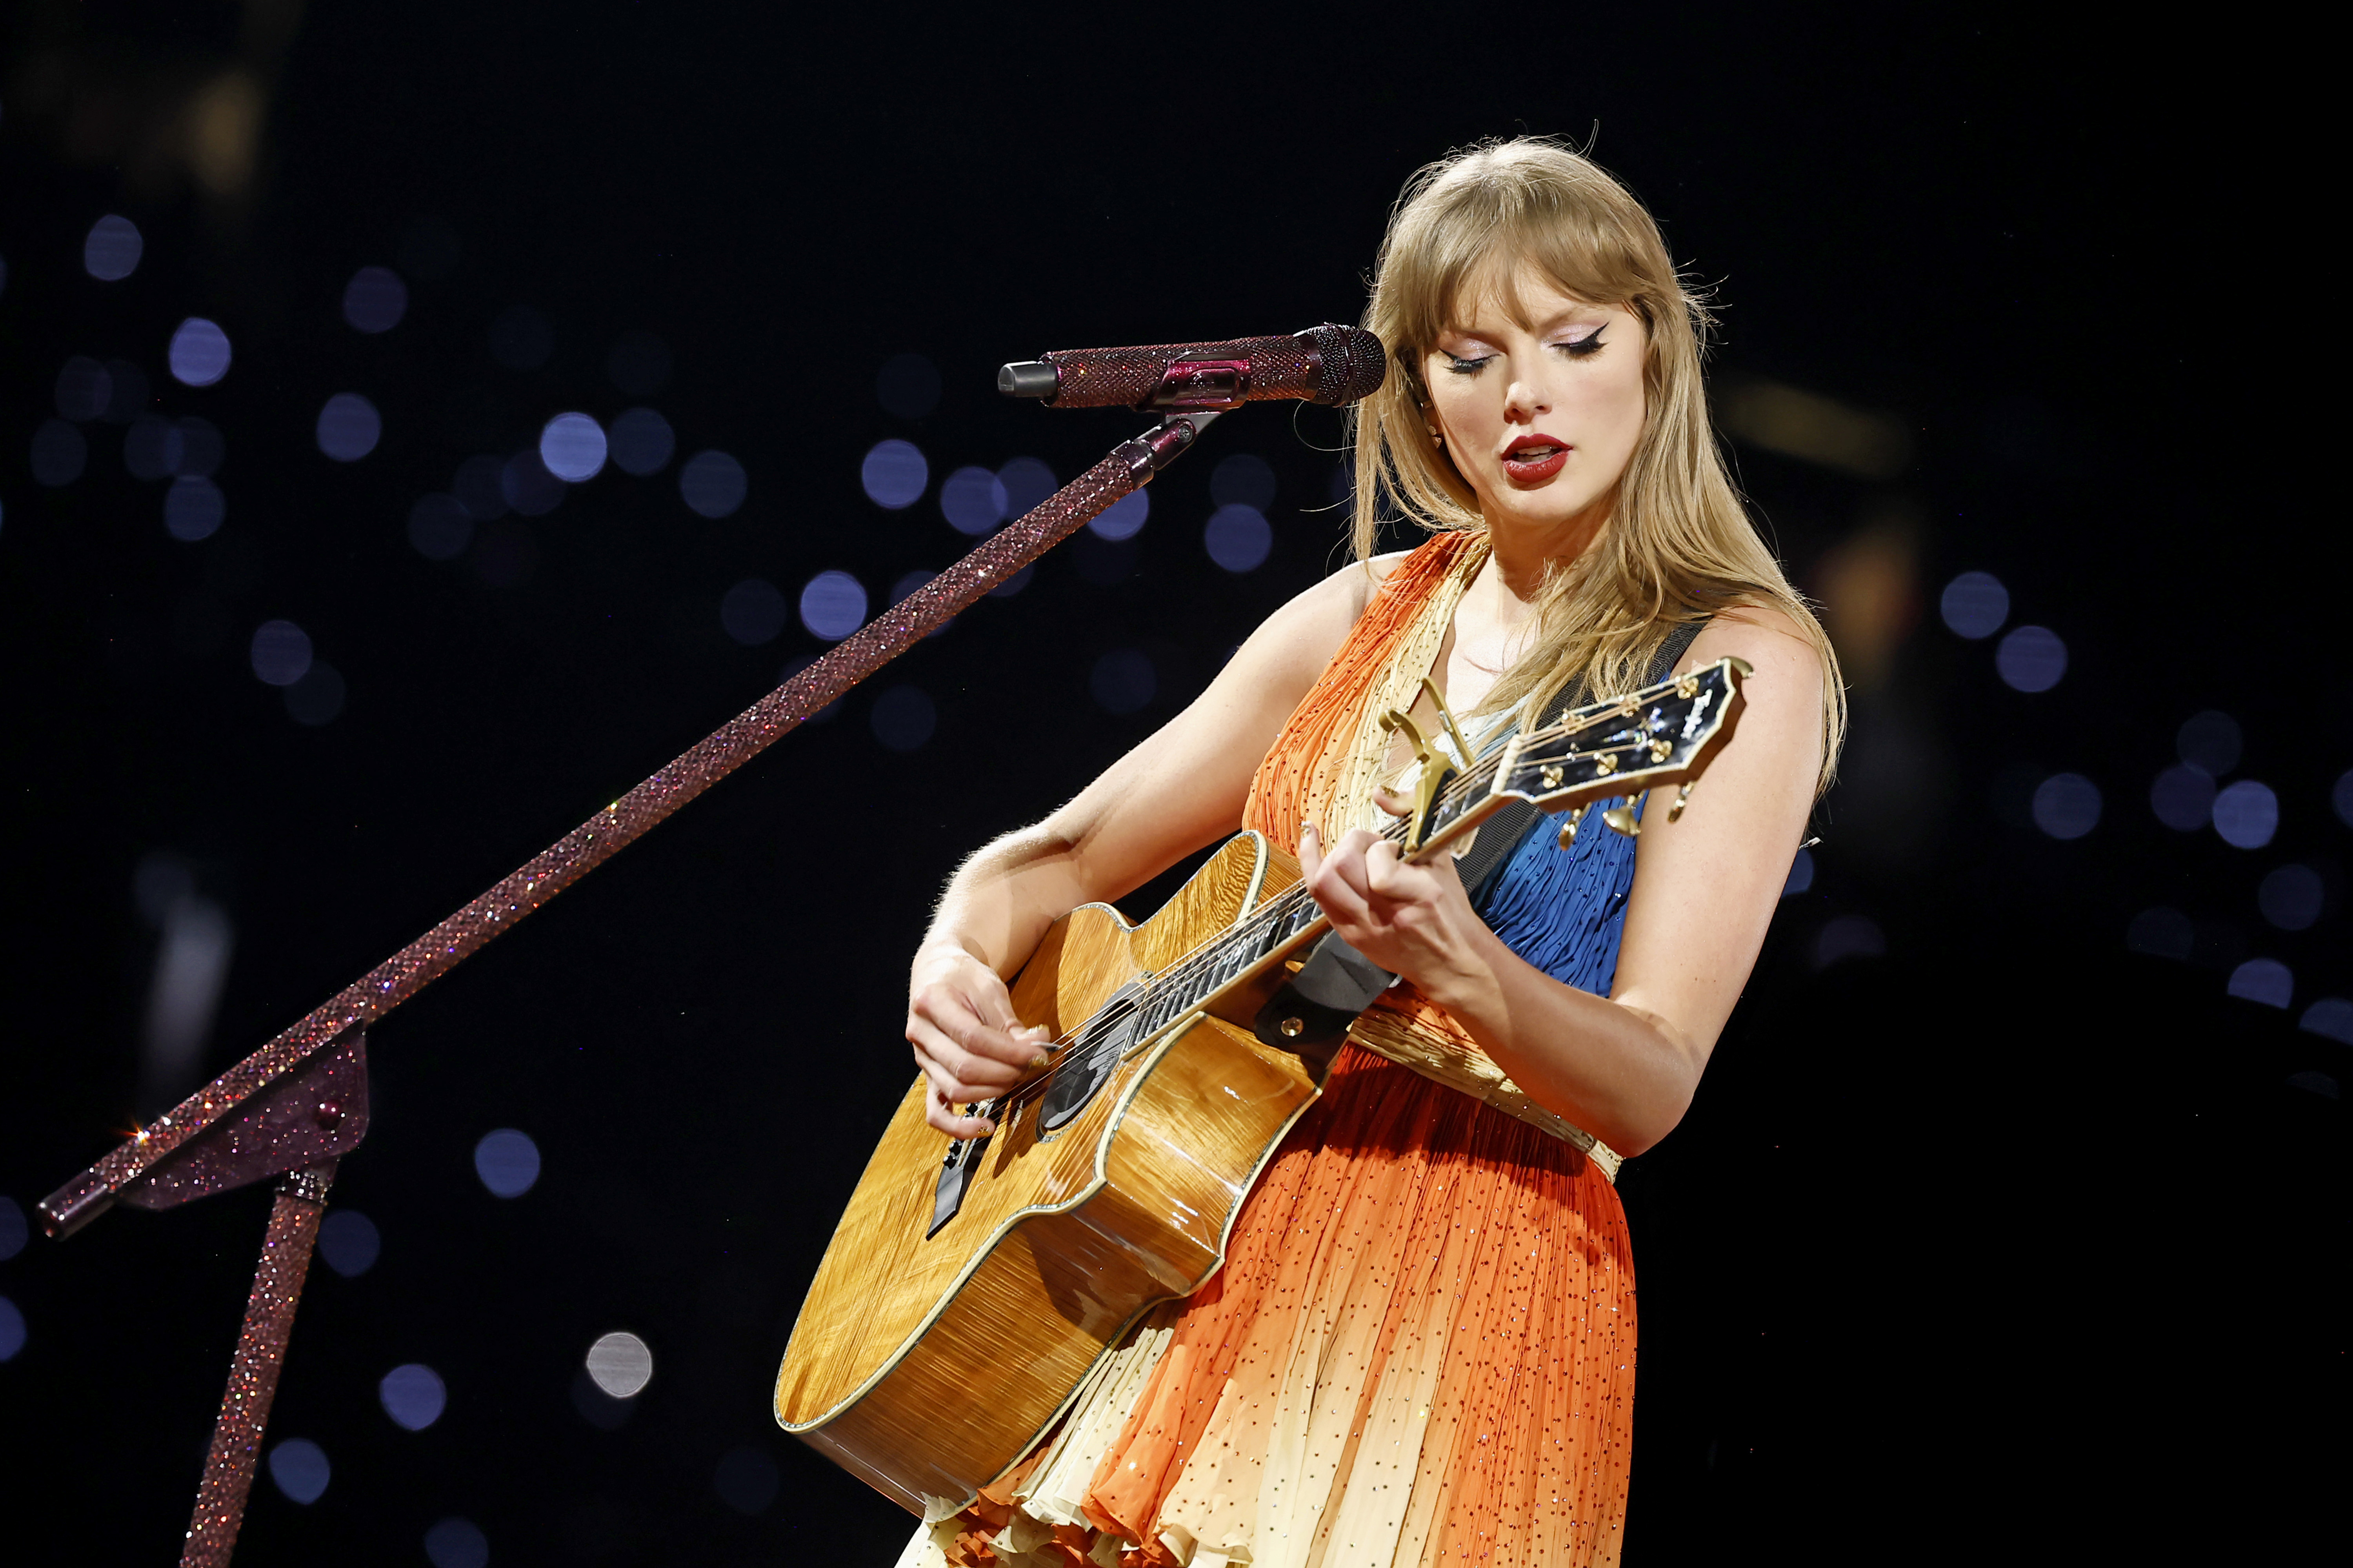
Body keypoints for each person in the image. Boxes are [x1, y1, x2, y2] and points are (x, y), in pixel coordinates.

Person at [896, 137, 1842, 1568]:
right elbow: (1051, 860)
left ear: (1658, 349)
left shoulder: (1738, 663)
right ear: (1410, 394)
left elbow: (1653, 1082)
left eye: (1576, 339)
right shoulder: (1357, 616)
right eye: (1467, 360)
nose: (1523, 395)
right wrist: (957, 959)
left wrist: (1465, 968)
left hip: (1444, 1285)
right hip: (1170, 1246)